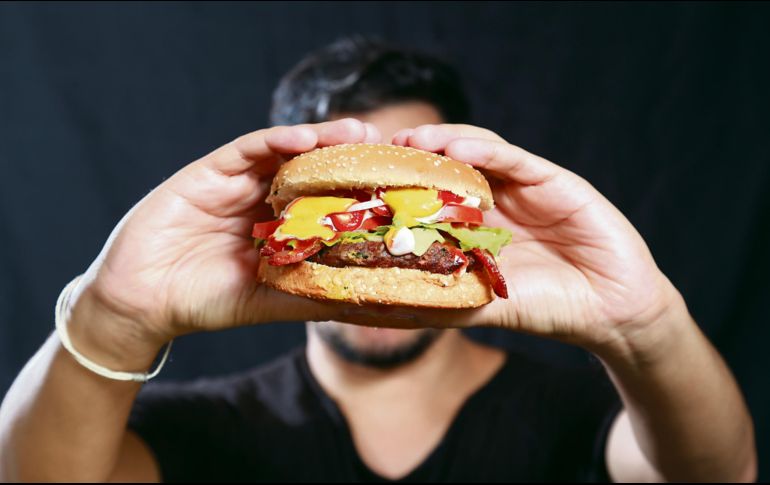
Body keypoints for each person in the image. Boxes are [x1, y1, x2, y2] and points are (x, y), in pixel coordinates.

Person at [0, 36, 757, 482]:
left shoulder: (586, 414)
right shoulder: (201, 426)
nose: (388, 219)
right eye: (358, 176)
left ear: (475, 202)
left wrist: (644, 324)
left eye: (408, 181)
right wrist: (110, 316)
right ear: (273, 202)